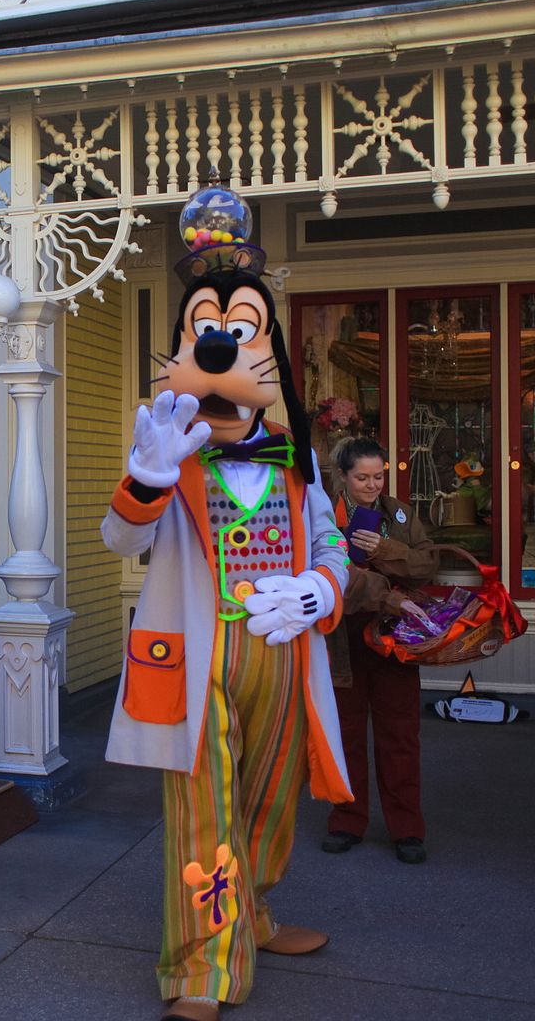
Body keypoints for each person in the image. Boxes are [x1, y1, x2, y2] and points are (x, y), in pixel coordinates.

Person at [103, 225, 352, 1020]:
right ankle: (203, 968)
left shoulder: (297, 459)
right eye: (205, 330)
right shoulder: (166, 454)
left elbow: (332, 543)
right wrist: (146, 480)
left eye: (243, 329)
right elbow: (122, 539)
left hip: (281, 653)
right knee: (204, 810)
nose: (221, 347)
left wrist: (319, 589)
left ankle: (256, 912)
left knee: (273, 803)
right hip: (197, 659)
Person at [320, 436, 440, 864]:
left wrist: (386, 549)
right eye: (362, 478)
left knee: (400, 736)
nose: (372, 485)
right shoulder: (323, 515)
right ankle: (347, 819)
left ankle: (407, 828)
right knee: (346, 735)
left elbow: (427, 565)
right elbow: (334, 575)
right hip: (343, 636)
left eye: (378, 476)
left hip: (393, 637)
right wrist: (388, 592)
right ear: (343, 476)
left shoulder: (400, 514)